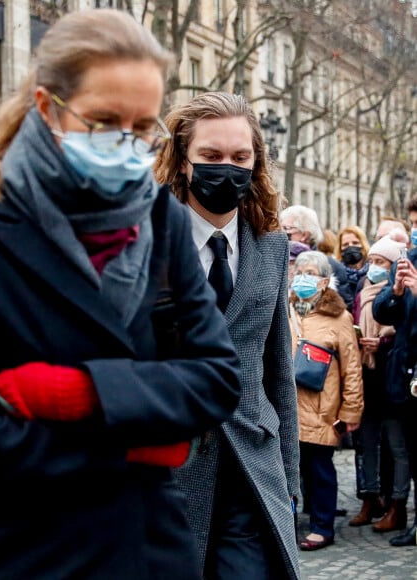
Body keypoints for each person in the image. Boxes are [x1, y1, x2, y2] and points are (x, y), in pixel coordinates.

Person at [0, 10, 242, 579]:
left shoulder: (159, 217)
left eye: (142, 128)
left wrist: (80, 394)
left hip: (145, 550)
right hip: (14, 555)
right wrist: (143, 443)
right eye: (106, 121)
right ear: (47, 107)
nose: (127, 143)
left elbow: (216, 379)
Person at [155, 92, 300, 579]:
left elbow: (277, 370)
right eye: (211, 157)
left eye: (240, 157)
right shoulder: (145, 244)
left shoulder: (271, 248)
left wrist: (290, 481)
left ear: (256, 162)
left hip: (253, 468)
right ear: (182, 162)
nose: (227, 168)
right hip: (167, 471)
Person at [289, 250, 364, 550]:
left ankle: (322, 526)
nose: (302, 277)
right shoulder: (286, 309)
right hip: (287, 406)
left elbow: (352, 367)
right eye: (299, 271)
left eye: (310, 272)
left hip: (322, 408)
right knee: (288, 469)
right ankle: (287, 523)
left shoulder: (339, 317)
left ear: (324, 281)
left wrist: (351, 410)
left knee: (319, 468)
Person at [349, 236, 410, 531]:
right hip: (366, 376)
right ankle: (369, 497)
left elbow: (404, 329)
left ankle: (396, 503)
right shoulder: (362, 292)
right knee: (366, 443)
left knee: (396, 446)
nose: (373, 267)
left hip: (393, 375)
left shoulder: (400, 290)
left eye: (381, 262)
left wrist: (384, 341)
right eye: (371, 261)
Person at [373, 196, 417, 547]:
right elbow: (382, 311)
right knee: (408, 451)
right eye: (414, 224)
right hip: (406, 374)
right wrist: (399, 291)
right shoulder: (408, 261)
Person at [281, 205, 353, 310]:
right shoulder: (275, 261)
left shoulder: (331, 265)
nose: (281, 233)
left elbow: (343, 307)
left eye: (287, 228)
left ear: (305, 235)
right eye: (280, 228)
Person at [335, 225, 370, 300]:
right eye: (345, 244)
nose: (350, 247)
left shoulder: (373, 273)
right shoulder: (336, 276)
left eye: (355, 243)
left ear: (363, 245)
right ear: (340, 249)